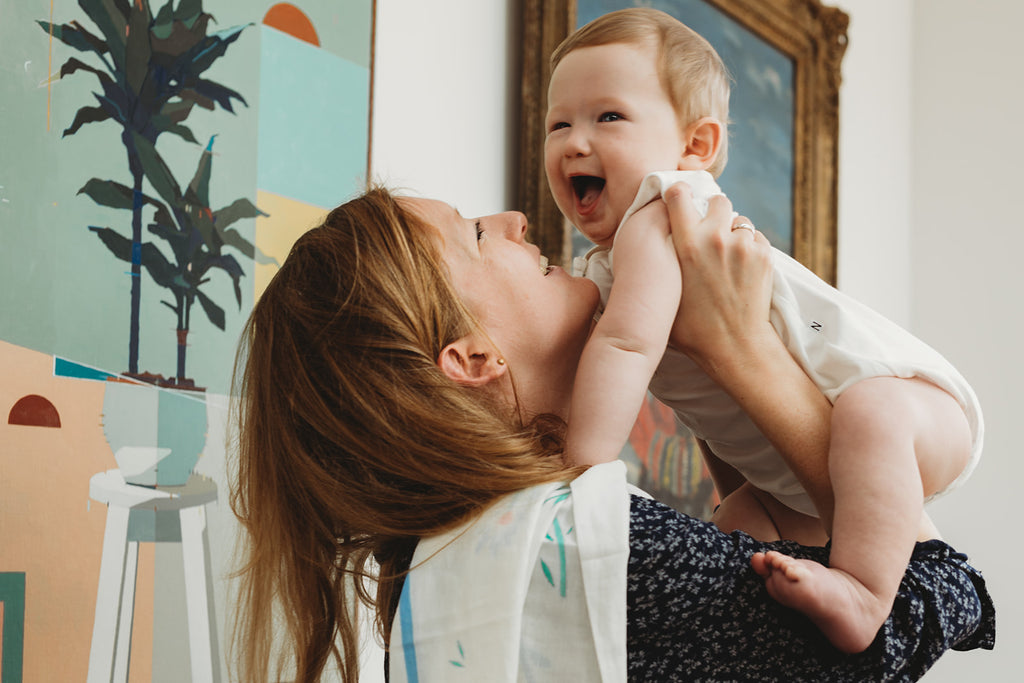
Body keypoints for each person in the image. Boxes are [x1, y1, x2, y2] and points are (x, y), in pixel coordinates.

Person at [229, 184, 994, 682]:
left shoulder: (450, 571)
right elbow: (919, 614)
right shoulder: (594, 552)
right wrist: (742, 348)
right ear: (471, 359)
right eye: (476, 234)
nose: (515, 219)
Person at [545, 7, 984, 654]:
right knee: (737, 531)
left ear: (695, 147)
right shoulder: (609, 263)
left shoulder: (663, 210)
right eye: (559, 123)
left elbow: (627, 346)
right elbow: (707, 405)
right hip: (803, 471)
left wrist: (577, 472)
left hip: (914, 405)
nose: (575, 141)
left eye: (607, 117)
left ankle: (865, 593)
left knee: (870, 408)